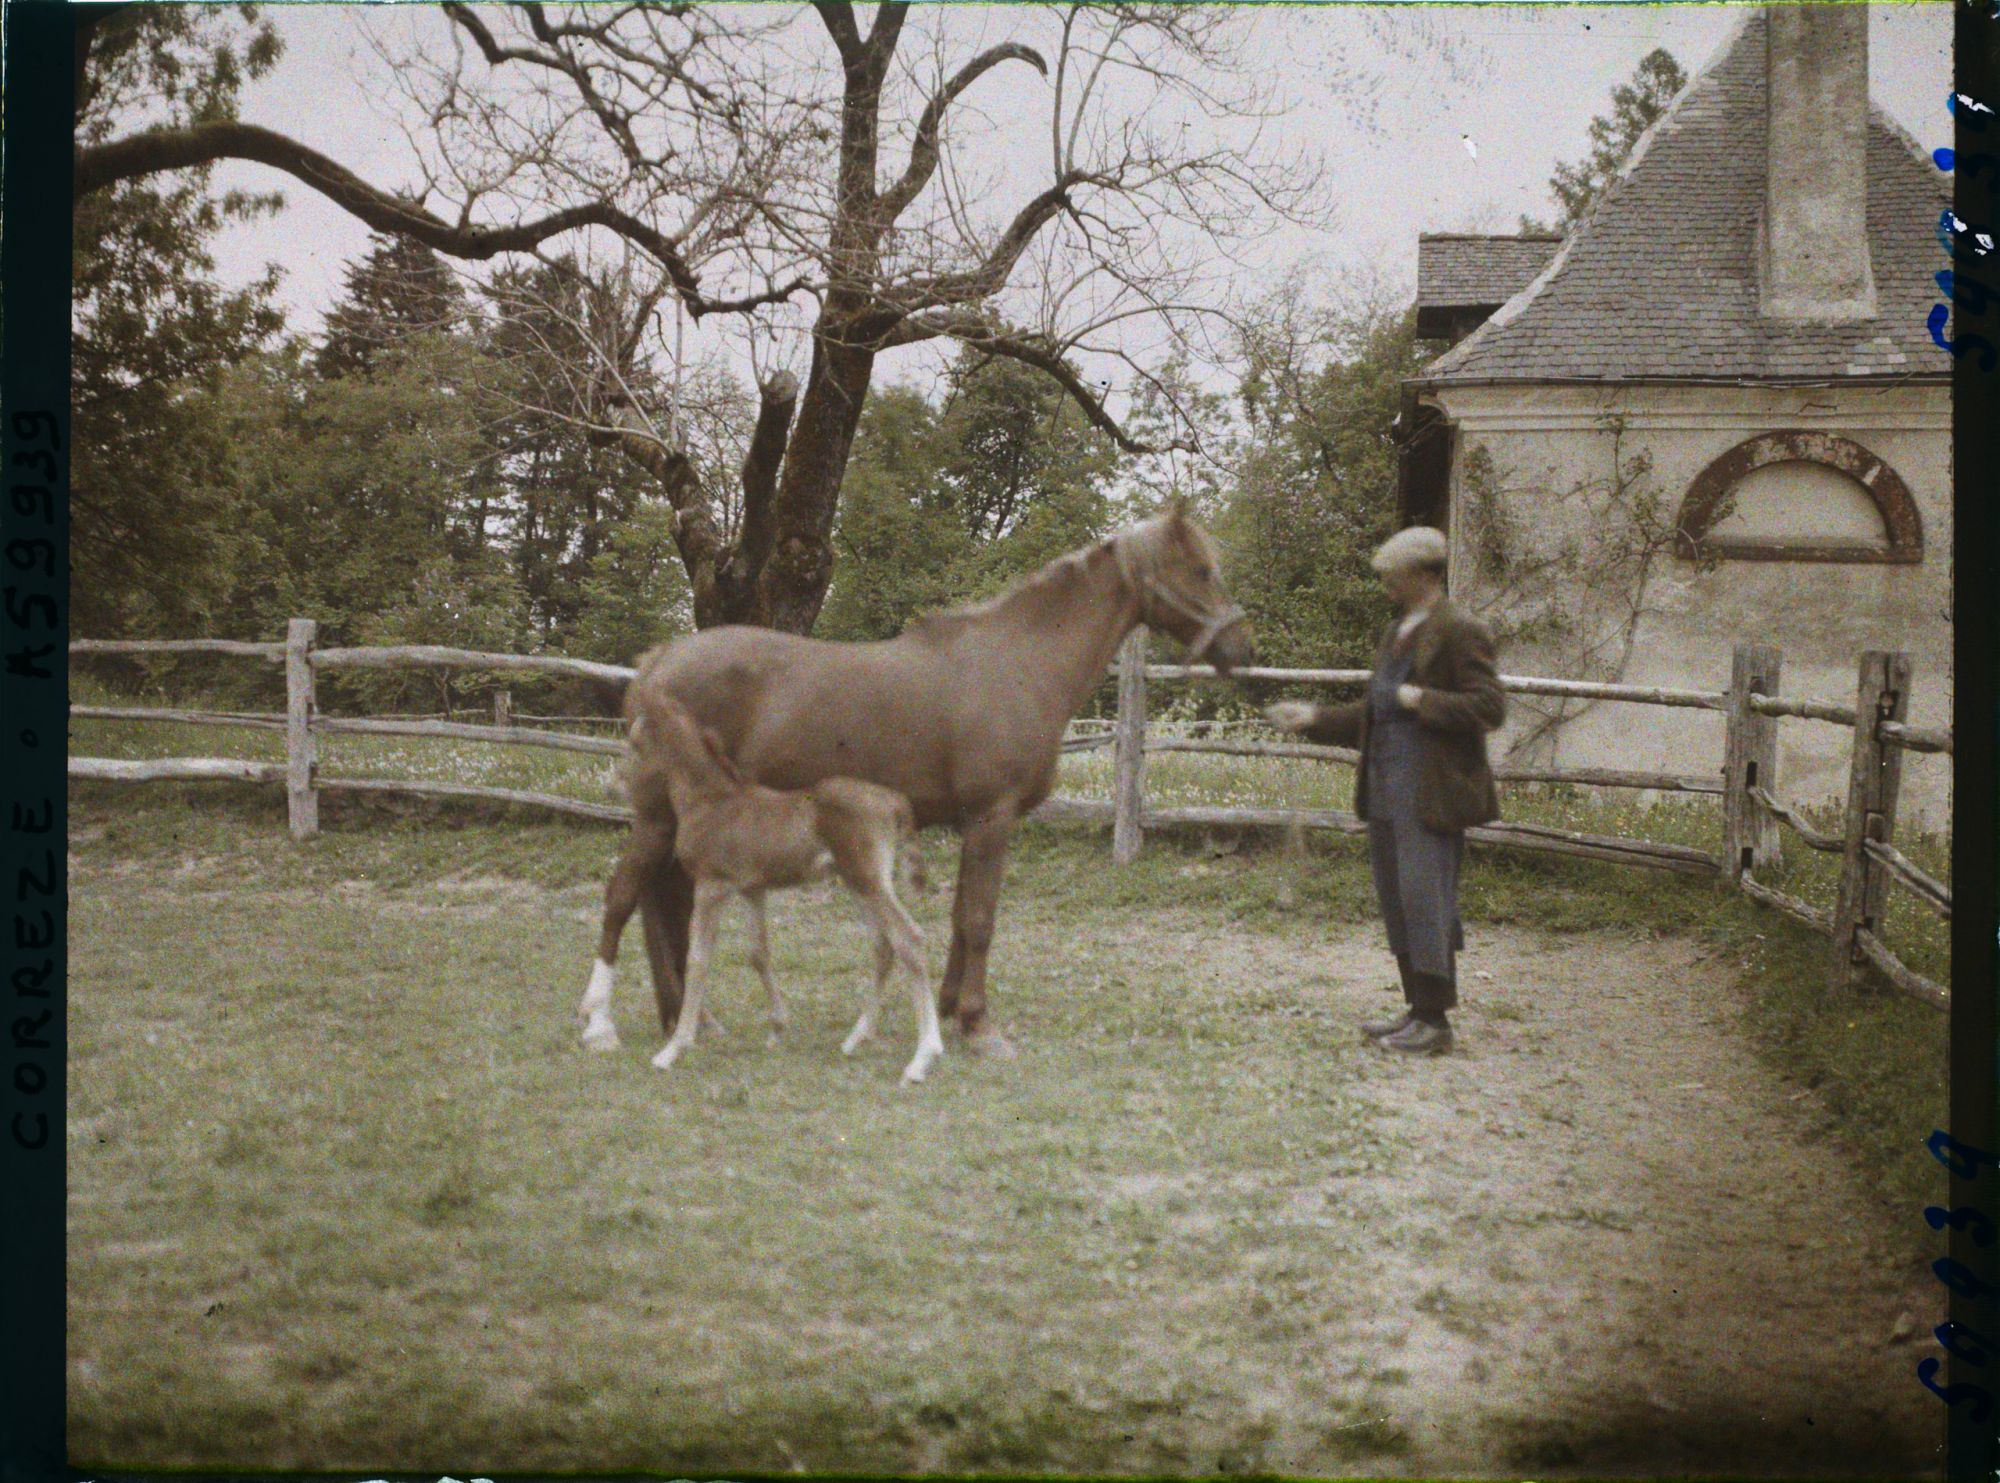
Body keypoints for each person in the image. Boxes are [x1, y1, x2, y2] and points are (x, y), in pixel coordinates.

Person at [1265, 526, 1505, 1055]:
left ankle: (1436, 1024)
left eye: (1392, 576)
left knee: (1426, 899)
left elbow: (1490, 708)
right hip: (1384, 784)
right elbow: (1376, 711)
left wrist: (1422, 700)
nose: (1385, 586)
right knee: (1398, 900)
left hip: (1430, 789)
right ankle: (1416, 1010)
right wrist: (1314, 717)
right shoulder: (1397, 629)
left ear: (1424, 573)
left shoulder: (1461, 629)